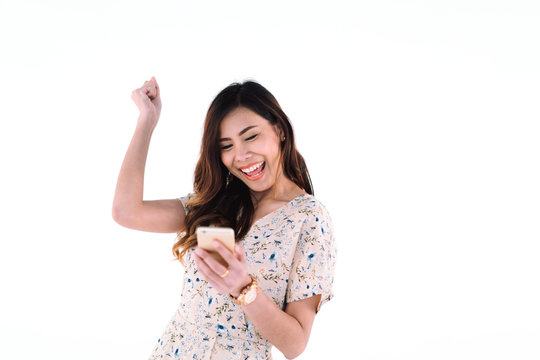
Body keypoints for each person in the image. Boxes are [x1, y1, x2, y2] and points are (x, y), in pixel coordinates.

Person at [112, 77, 337, 359]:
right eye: (226, 145)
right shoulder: (214, 203)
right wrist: (147, 120)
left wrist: (243, 288)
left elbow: (295, 344)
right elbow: (126, 211)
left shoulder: (309, 218)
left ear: (279, 130)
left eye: (251, 136)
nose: (241, 155)